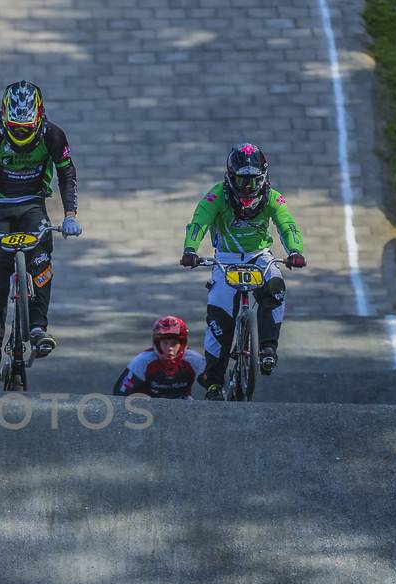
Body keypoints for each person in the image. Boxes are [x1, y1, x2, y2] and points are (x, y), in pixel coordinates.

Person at [0, 81, 79, 382]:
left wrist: (70, 215)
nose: (21, 134)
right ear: (4, 117)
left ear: (39, 118)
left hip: (33, 205)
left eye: (26, 129)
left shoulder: (54, 135)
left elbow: (67, 173)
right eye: (15, 128)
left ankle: (38, 328)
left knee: (41, 265)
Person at [178, 144, 306, 400]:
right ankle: (213, 383)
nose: (247, 188)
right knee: (218, 320)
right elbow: (198, 223)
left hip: (259, 257)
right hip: (225, 259)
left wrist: (295, 251)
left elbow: (287, 225)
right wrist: (190, 250)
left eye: (253, 181)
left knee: (276, 287)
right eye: (241, 180)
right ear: (229, 177)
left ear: (264, 177)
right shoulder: (215, 196)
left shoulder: (273, 197)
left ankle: (268, 349)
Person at [113, 315, 204, 399]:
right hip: (150, 405)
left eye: (174, 343)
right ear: (157, 343)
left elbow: (214, 385)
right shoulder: (142, 361)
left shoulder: (194, 360)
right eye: (165, 343)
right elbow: (120, 395)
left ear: (182, 344)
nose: (170, 348)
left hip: (183, 404)